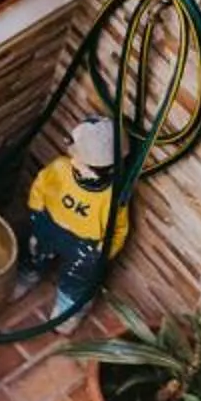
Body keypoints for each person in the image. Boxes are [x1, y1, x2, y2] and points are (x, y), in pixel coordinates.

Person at [24, 114, 130, 316]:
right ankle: (28, 273)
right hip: (49, 224)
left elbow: (118, 229)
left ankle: (68, 306)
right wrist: (36, 212)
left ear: (99, 171)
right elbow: (40, 186)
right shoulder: (60, 168)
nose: (72, 160)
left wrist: (102, 253)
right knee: (35, 251)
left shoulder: (112, 197)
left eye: (79, 159)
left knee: (78, 278)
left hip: (85, 244)